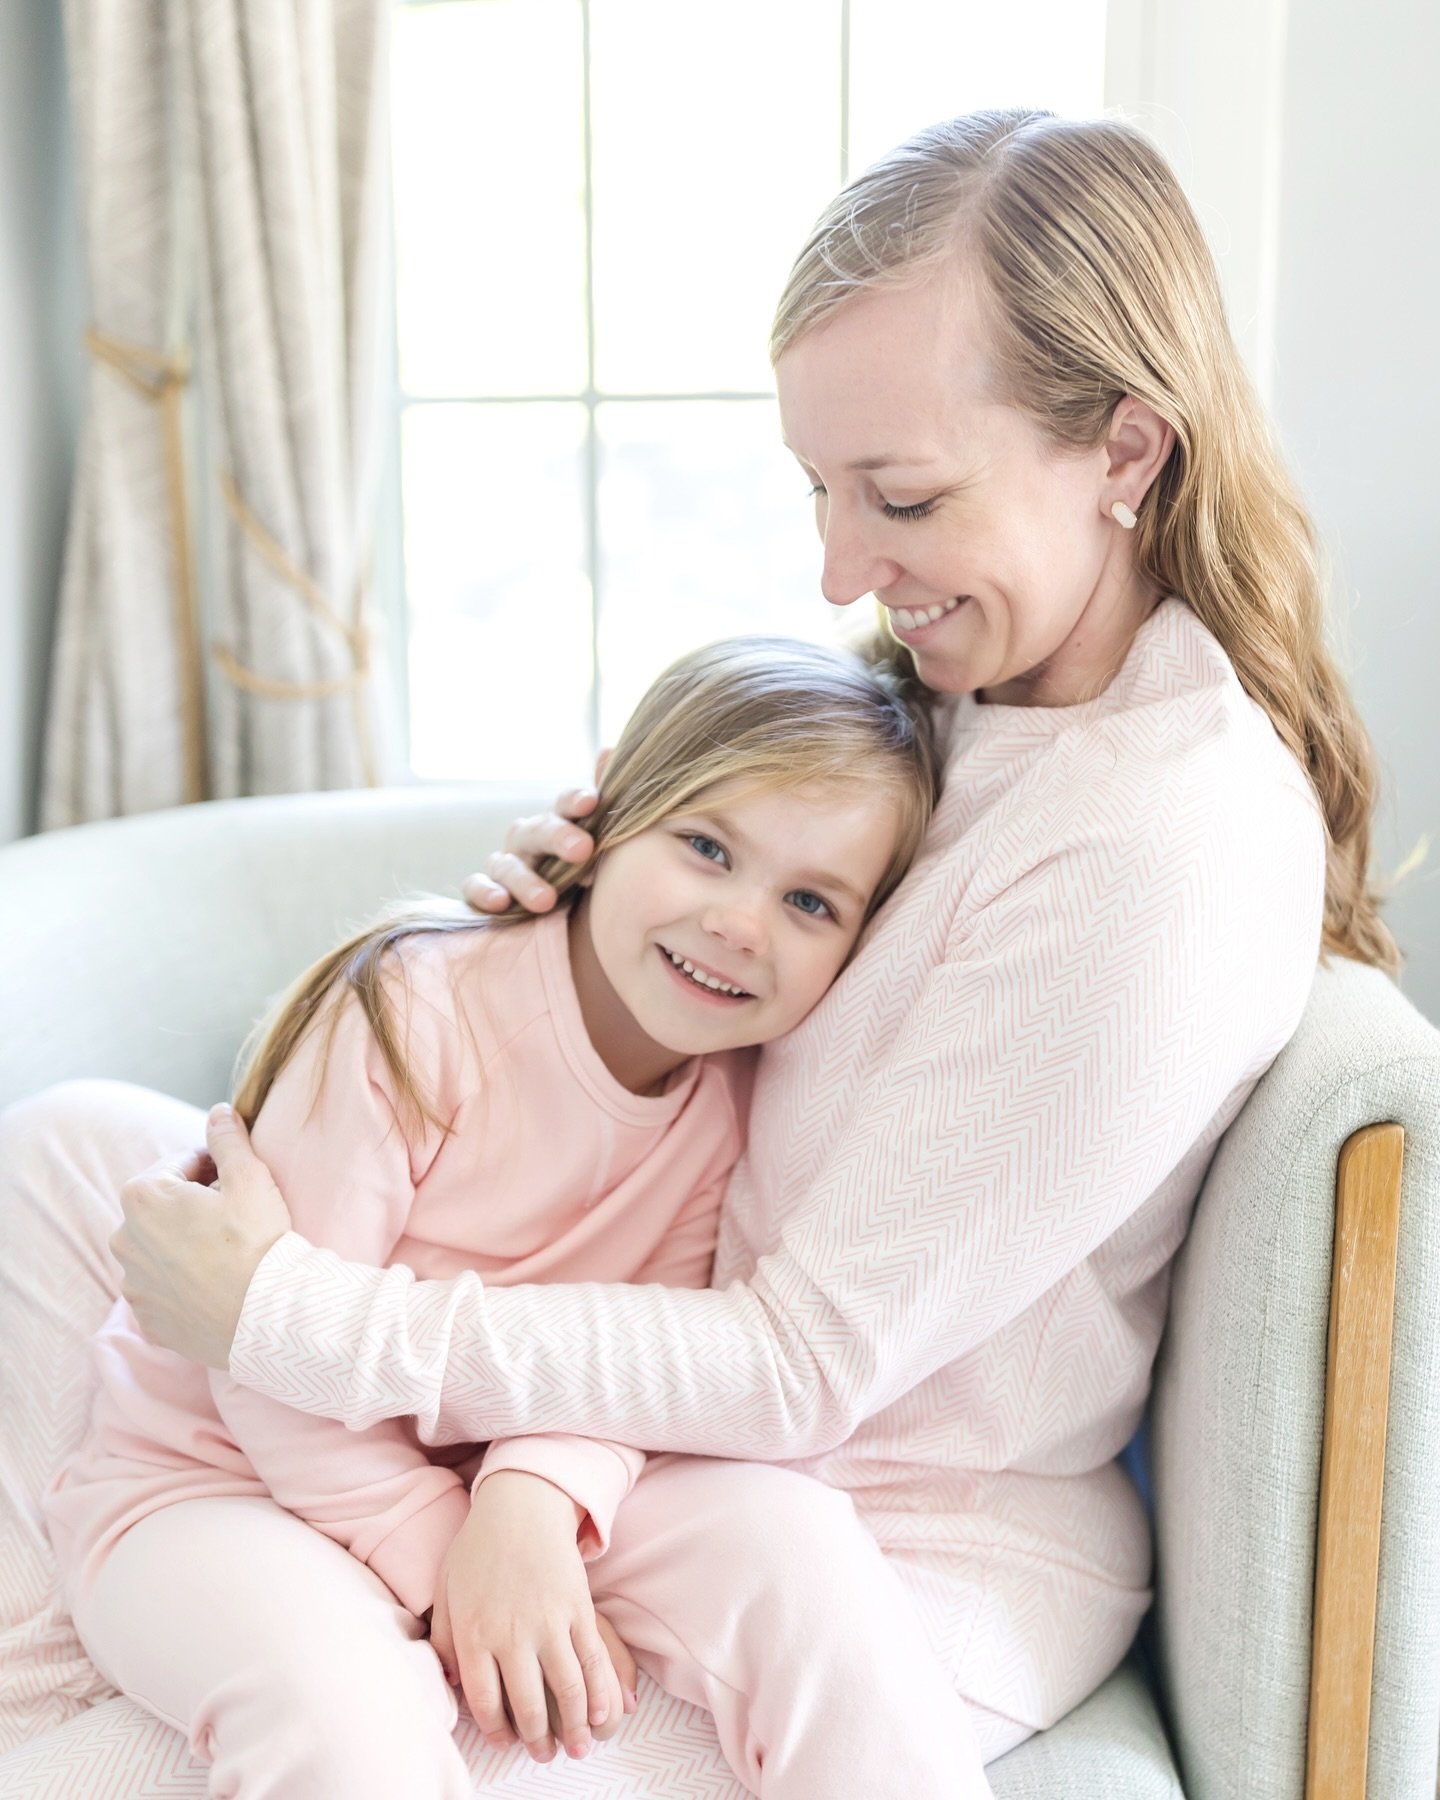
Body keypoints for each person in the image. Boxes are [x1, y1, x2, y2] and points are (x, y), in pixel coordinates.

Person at [100, 106, 1394, 1794]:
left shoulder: (1163, 844)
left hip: (842, 1520)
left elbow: (797, 1357)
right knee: (72, 1153)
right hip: (626, 1437)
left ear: (1127, 455)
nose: (844, 568)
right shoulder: (972, 702)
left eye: (903, 497)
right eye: (820, 489)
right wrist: (570, 942)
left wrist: (297, 1315)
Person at [33, 637, 957, 1799]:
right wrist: (450, 1563)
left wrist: (534, 1506)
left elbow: (648, 1346)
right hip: (224, 1480)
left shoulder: (738, 1099)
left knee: (798, 1549)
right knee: (343, 1721)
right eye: (707, 848)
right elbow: (255, 1353)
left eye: (811, 902)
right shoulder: (410, 1009)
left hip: (491, 1466)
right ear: (607, 808)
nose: (739, 924)